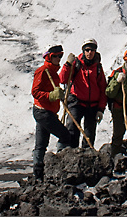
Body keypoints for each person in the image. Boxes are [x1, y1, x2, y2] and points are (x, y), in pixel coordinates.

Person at [31, 45, 74, 182]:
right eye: (56, 56)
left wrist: (59, 96)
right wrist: (51, 96)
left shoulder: (53, 73)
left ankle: (38, 173)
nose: (58, 58)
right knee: (65, 136)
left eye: (60, 56)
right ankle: (60, 164)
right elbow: (35, 92)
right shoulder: (43, 71)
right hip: (43, 112)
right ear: (49, 56)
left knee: (41, 143)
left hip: (46, 111)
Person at [57, 39, 107, 150]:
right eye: (87, 50)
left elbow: (103, 88)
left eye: (92, 50)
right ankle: (72, 155)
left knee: (89, 134)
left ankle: (86, 156)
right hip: (76, 102)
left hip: (93, 105)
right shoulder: (76, 63)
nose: (90, 53)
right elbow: (62, 79)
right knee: (72, 129)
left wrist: (101, 109)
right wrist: (67, 64)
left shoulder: (98, 67)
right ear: (83, 51)